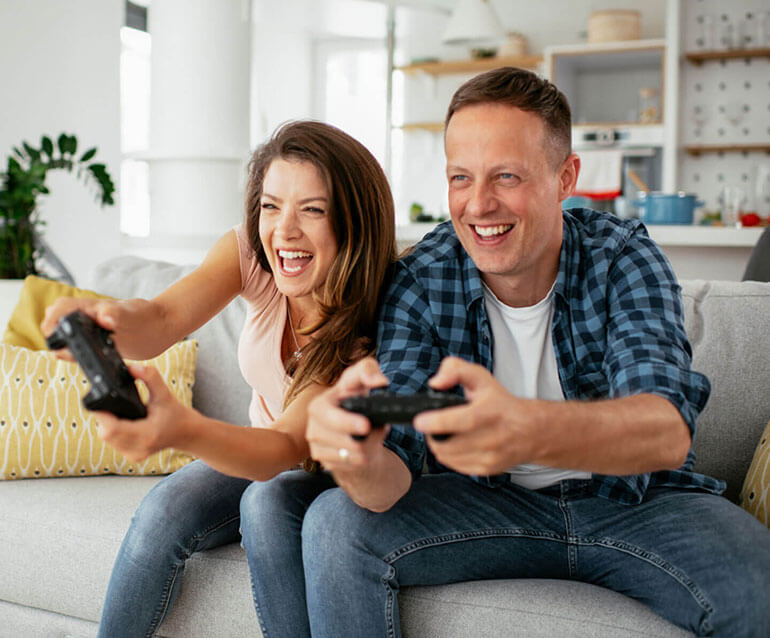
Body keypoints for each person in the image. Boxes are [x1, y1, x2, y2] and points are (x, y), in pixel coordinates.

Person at [300, 67, 770, 637]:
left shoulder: (623, 257)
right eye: (460, 177)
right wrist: (357, 456)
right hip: (485, 506)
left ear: (564, 176)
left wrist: (523, 428)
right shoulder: (422, 278)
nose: (478, 205)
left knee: (756, 586)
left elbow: (665, 432)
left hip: (636, 504)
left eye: (506, 176)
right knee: (333, 522)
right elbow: (390, 476)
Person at [41, 120, 396, 637]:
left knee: (266, 501)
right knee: (161, 514)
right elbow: (160, 318)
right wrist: (105, 321)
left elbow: (282, 447)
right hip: (262, 447)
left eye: (313, 210)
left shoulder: (374, 319)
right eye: (271, 206)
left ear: (354, 221)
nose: (285, 230)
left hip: (340, 468)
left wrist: (181, 428)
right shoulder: (254, 253)